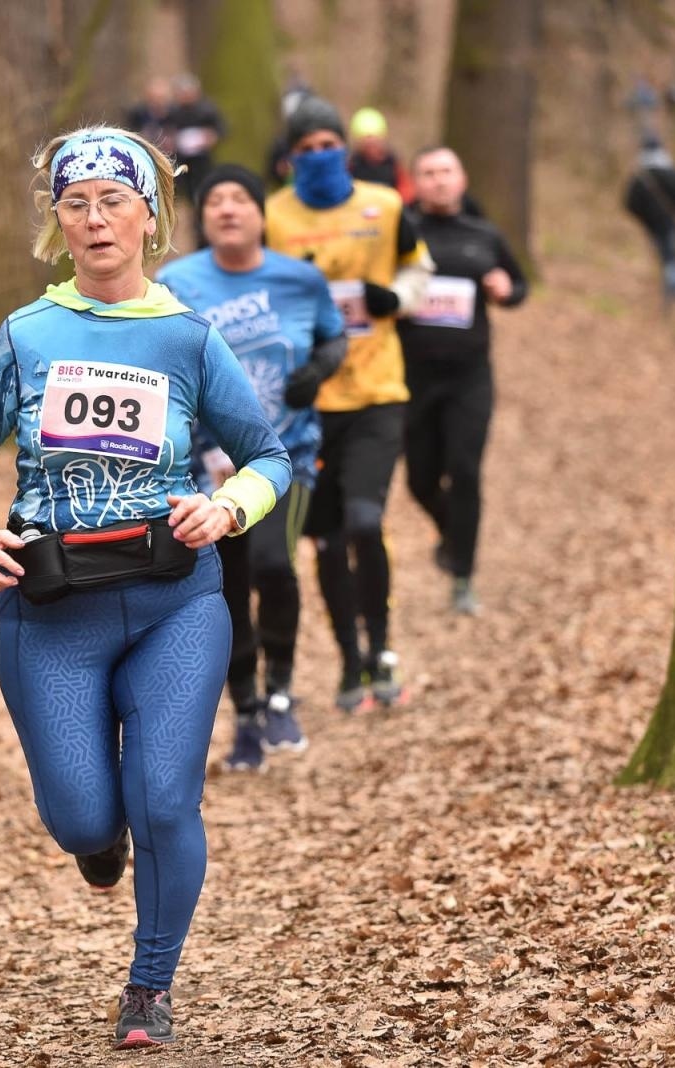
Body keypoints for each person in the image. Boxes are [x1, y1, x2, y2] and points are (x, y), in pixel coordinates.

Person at [0, 127, 291, 1049]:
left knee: (166, 799)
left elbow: (268, 456)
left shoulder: (187, 337)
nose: (95, 219)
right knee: (82, 816)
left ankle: (149, 983)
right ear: (59, 220)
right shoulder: (24, 334)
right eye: (76, 203)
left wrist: (228, 509)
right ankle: (101, 840)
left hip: (176, 598)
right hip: (53, 610)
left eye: (113, 201)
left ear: (149, 216)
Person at [157, 164, 347, 771]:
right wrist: (201, 450)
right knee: (228, 585)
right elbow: (168, 374)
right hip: (207, 466)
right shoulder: (175, 284)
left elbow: (333, 339)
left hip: (285, 457)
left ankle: (283, 692)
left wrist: (317, 373)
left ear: (262, 213)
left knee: (272, 561)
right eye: (215, 200)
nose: (228, 208)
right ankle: (245, 711)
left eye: (241, 198)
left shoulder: (300, 279)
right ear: (202, 217)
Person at [264, 95, 433, 713]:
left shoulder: (384, 205)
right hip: (307, 403)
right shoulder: (273, 215)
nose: (320, 156)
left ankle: (382, 647)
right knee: (328, 541)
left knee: (366, 522)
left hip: (376, 390)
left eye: (328, 145)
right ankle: (347, 662)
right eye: (306, 150)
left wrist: (396, 298)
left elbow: (421, 269)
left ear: (345, 146)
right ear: (289, 160)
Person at [397, 146, 529, 616]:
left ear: (462, 179)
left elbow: (519, 284)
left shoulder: (484, 235)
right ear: (416, 182)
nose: (437, 181)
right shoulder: (402, 233)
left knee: (466, 471)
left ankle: (463, 576)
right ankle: (453, 535)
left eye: (446, 172)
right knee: (420, 480)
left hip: (470, 377)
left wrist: (506, 289)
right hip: (412, 377)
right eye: (428, 173)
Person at [623, 132, 675, 307]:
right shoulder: (672, 172)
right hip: (671, 222)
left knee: (666, 255)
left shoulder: (639, 177)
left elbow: (630, 204)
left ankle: (673, 289)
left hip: (652, 226)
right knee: (672, 254)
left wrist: (646, 219)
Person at [166, 73, 226, 203]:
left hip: (202, 159)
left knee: (203, 188)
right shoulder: (173, 111)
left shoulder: (207, 109)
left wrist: (211, 136)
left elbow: (221, 128)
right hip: (180, 158)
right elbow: (166, 129)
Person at [347, 107, 414, 202]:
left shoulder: (393, 164)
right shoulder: (351, 165)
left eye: (374, 142)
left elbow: (407, 193)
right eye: (367, 144)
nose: (372, 148)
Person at [124, 76, 176, 158]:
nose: (158, 101)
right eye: (155, 97)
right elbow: (130, 133)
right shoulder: (138, 113)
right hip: (144, 155)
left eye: (161, 97)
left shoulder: (174, 113)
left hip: (168, 157)